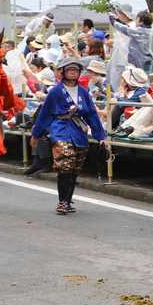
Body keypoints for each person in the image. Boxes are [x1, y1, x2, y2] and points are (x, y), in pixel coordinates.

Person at [30, 57, 108, 215]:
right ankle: (62, 201)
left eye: (76, 70)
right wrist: (36, 134)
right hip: (60, 129)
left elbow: (92, 114)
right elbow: (45, 114)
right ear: (63, 72)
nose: (73, 73)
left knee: (75, 166)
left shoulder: (84, 92)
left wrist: (101, 136)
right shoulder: (55, 92)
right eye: (70, 70)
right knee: (65, 163)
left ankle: (68, 199)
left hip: (79, 130)